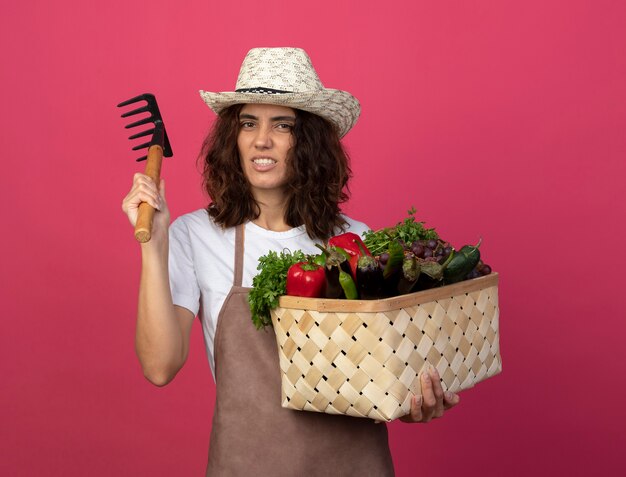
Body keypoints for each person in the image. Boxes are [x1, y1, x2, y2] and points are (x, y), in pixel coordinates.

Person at [122, 47, 460, 476]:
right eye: (249, 123)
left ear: (310, 142)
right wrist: (153, 244)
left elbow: (385, 379)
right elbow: (158, 366)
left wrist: (416, 405)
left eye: (282, 125)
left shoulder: (357, 241)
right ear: (234, 137)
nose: (262, 139)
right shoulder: (195, 235)